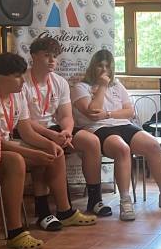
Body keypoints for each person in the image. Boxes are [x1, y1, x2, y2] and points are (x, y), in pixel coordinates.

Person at [0, 53, 96, 246]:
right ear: (0, 77)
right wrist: (33, 153)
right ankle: (15, 231)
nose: (23, 81)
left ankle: (65, 212)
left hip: (5, 145)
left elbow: (27, 132)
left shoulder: (17, 95)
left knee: (54, 152)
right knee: (16, 160)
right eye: (17, 76)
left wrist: (50, 144)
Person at [22, 35, 110, 218]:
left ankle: (95, 200)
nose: (52, 60)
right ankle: (46, 208)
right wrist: (53, 136)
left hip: (54, 129)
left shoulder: (59, 81)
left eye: (55, 56)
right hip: (30, 130)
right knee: (50, 149)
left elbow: (66, 116)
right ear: (34, 56)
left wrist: (67, 132)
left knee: (92, 141)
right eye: (47, 55)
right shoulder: (23, 82)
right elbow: (23, 121)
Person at [74, 49, 161, 220]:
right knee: (122, 149)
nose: (104, 70)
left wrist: (108, 114)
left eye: (108, 66)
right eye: (100, 65)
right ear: (93, 67)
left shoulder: (117, 85)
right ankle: (125, 200)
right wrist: (102, 86)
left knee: (153, 144)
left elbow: (129, 112)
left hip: (122, 124)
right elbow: (93, 112)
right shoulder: (81, 87)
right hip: (98, 128)